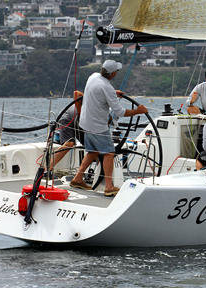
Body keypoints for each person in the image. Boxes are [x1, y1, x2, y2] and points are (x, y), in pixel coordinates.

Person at [69, 60, 148, 196]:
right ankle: (109, 187)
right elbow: (121, 112)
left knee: (92, 151)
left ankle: (77, 179)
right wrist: (138, 111)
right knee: (109, 153)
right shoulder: (107, 88)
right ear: (113, 73)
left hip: (85, 123)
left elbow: (99, 92)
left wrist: (112, 93)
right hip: (98, 127)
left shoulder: (93, 76)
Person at [51, 90, 84, 169]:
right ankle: (48, 169)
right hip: (67, 118)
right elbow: (76, 93)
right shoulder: (95, 102)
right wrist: (79, 113)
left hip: (80, 122)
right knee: (69, 143)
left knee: (93, 147)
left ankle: (100, 174)